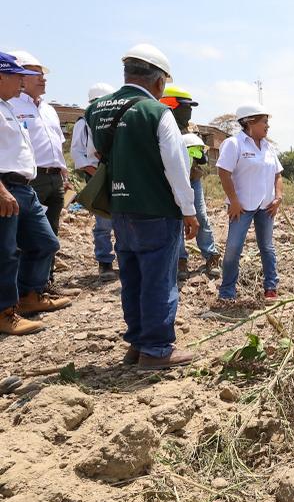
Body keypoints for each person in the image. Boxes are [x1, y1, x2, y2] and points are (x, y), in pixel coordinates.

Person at [84, 44, 199, 369]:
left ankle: (136, 344)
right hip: (156, 209)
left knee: (132, 277)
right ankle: (156, 350)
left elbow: (92, 154)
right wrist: (188, 210)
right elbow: (176, 166)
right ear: (159, 81)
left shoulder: (98, 109)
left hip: (120, 209)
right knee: (159, 280)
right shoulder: (156, 111)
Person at [0, 52, 69, 335]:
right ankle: (5, 311)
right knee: (5, 252)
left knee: (46, 242)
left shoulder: (7, 108)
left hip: (24, 186)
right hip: (5, 186)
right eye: (17, 75)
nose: (21, 81)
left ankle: (30, 296)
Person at [216, 103, 283, 302]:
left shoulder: (268, 146)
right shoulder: (234, 144)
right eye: (264, 122)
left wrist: (278, 198)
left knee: (267, 247)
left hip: (266, 206)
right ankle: (227, 291)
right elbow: (223, 172)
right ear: (249, 122)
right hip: (241, 207)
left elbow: (278, 174)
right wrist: (234, 201)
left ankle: (271, 286)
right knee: (234, 248)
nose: (267, 126)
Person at [158, 85, 220, 280]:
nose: (190, 111)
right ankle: (180, 260)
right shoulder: (160, 126)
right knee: (176, 220)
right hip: (169, 181)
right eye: (186, 106)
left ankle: (211, 256)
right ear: (171, 105)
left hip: (193, 179)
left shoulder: (192, 128)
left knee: (200, 216)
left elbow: (202, 156)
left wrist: (198, 153)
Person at [70, 82, 117, 281]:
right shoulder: (84, 122)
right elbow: (77, 154)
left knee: (124, 219)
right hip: (97, 175)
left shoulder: (115, 119)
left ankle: (126, 260)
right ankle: (105, 262)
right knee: (104, 221)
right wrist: (97, 174)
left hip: (117, 173)